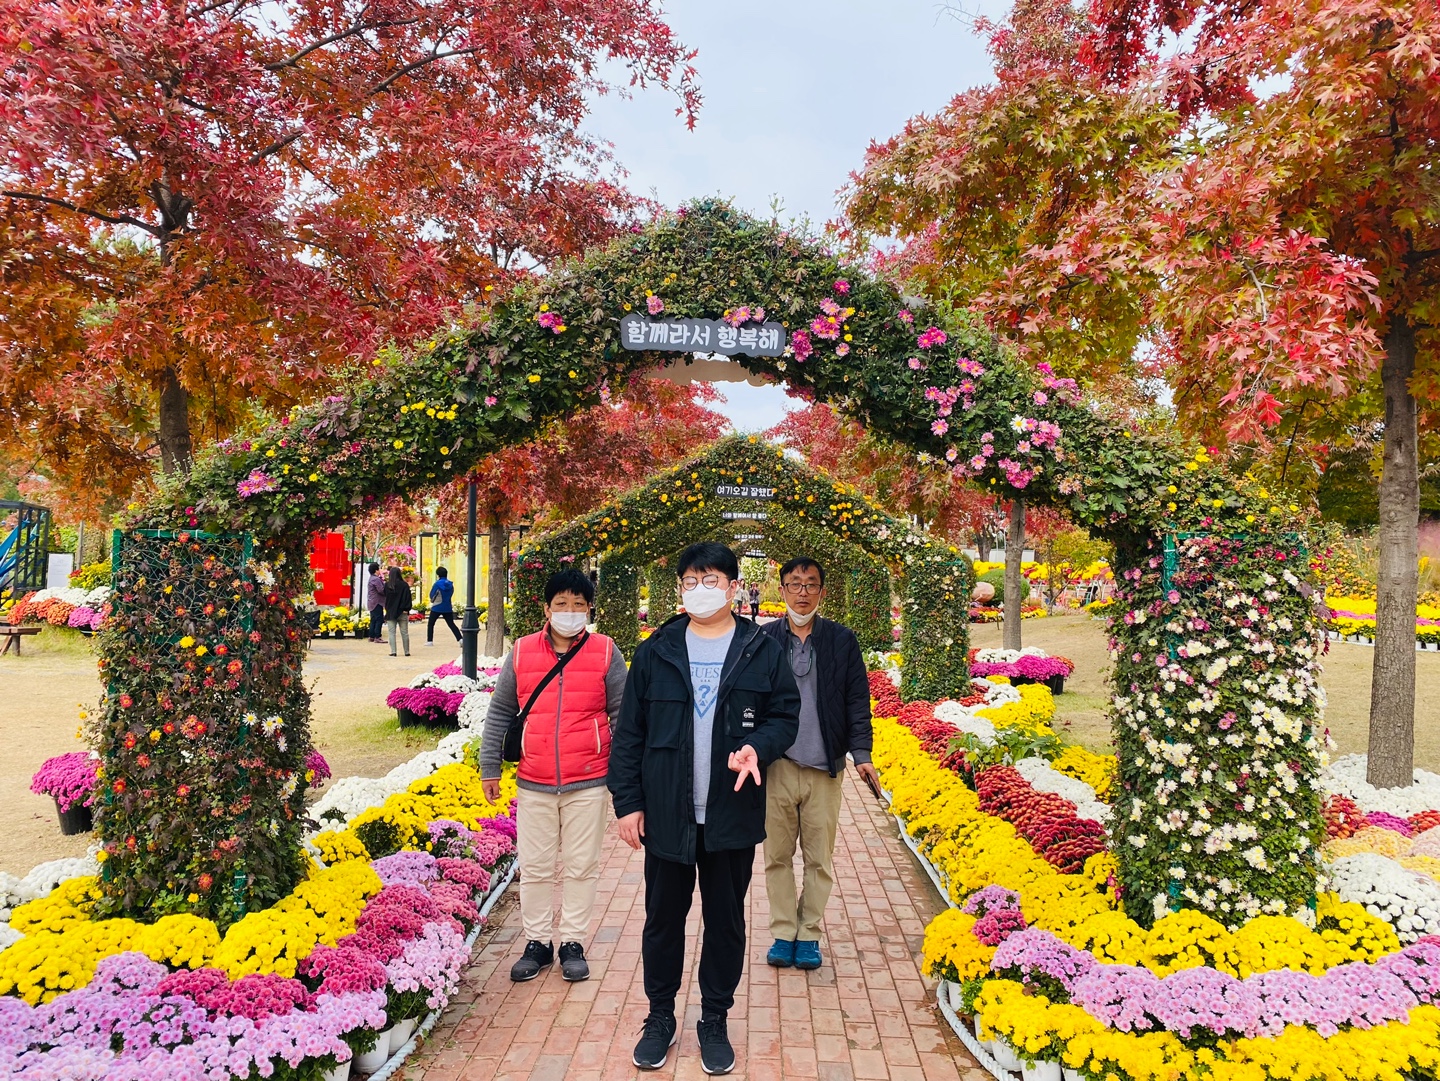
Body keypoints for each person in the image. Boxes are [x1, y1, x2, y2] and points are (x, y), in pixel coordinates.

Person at [610, 542, 800, 1075]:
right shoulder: (657, 650)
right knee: (662, 922)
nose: (701, 589)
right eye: (691, 580)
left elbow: (785, 715)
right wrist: (628, 803)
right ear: (680, 588)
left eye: (711, 579)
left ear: (734, 587)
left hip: (731, 814)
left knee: (725, 923)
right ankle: (660, 1016)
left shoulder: (760, 650)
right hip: (667, 815)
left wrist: (757, 746)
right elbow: (629, 734)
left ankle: (714, 1018)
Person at [480, 570, 626, 983]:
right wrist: (490, 767)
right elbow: (501, 711)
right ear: (546, 609)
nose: (570, 611)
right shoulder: (523, 651)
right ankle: (538, 943)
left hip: (589, 780)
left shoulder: (605, 651)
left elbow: (623, 715)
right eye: (561, 603)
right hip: (535, 779)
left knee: (582, 865)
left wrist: (624, 775)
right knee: (536, 866)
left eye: (579, 604)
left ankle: (573, 942)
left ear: (590, 609)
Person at [759, 557, 877, 971]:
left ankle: (808, 934)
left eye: (811, 584)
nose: (803, 592)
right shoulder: (764, 639)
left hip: (825, 768)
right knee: (776, 855)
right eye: (794, 584)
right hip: (777, 766)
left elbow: (857, 701)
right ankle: (782, 932)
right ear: (782, 590)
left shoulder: (841, 641)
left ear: (822, 592)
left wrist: (862, 754)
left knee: (818, 858)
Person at [427, 567, 461, 645]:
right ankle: (460, 639)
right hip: (447, 606)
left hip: (437, 606)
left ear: (438, 575)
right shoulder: (451, 585)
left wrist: (432, 600)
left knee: (431, 624)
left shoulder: (437, 584)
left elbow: (432, 595)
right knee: (451, 624)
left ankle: (430, 641)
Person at [383, 567, 413, 657]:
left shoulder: (388, 585)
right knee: (404, 632)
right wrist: (407, 609)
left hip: (391, 612)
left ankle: (393, 651)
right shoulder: (404, 585)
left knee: (392, 632)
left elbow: (385, 597)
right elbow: (408, 598)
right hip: (403, 611)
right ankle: (406, 651)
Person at [366, 562, 386, 643]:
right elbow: (381, 590)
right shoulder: (376, 579)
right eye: (378, 569)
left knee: (373, 619)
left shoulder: (371, 578)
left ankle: (371, 636)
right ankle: (377, 636)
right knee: (379, 619)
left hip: (371, 602)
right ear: (376, 570)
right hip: (377, 602)